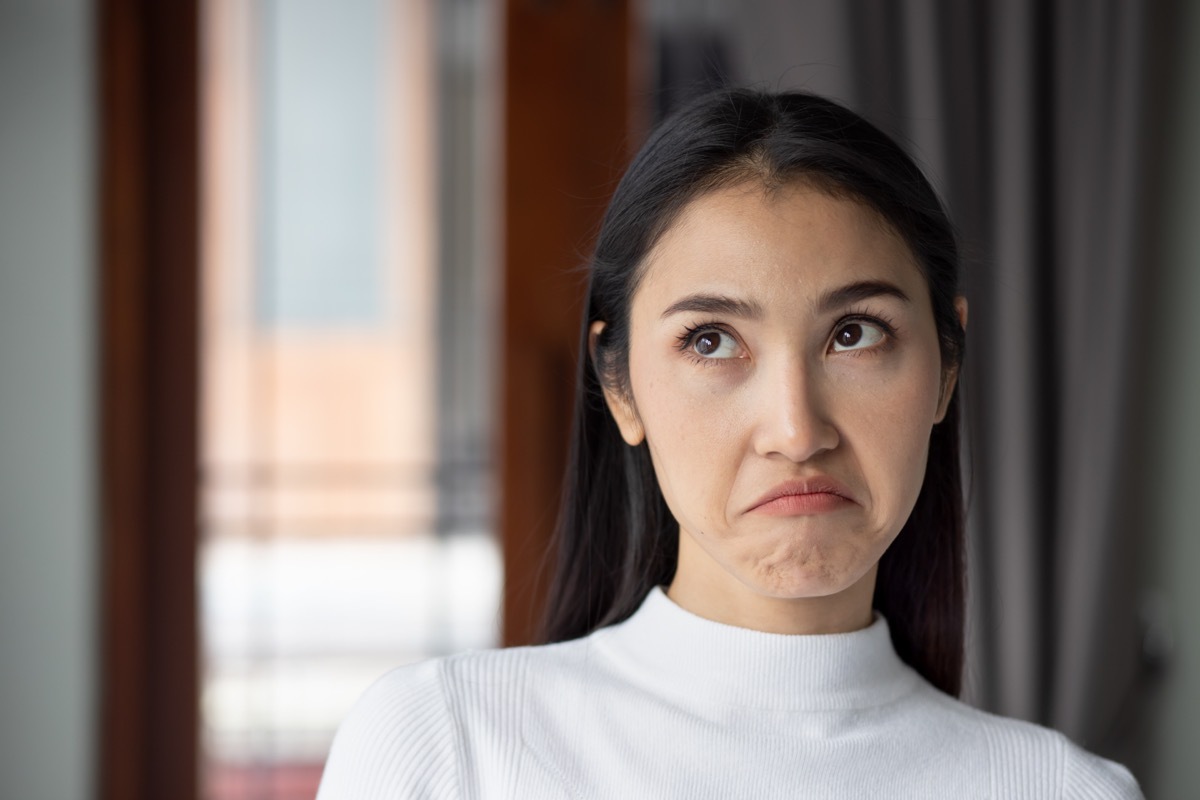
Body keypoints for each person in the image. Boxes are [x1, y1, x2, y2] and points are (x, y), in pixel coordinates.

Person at [317, 88, 1142, 798]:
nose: (795, 431)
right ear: (620, 387)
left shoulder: (1061, 790)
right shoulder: (454, 751)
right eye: (711, 341)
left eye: (854, 334)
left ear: (947, 364)